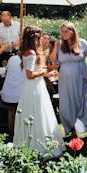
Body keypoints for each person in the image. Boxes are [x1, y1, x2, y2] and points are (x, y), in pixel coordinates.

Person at [13, 25, 64, 157]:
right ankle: (38, 145)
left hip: (36, 85)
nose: (41, 40)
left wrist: (47, 74)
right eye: (39, 38)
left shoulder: (29, 51)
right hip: (33, 87)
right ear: (34, 38)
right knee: (38, 114)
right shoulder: (31, 53)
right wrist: (42, 71)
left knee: (41, 113)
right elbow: (29, 74)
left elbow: (34, 72)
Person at [49, 21, 87, 137]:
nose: (63, 34)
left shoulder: (82, 43)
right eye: (62, 31)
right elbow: (53, 60)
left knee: (84, 100)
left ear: (72, 31)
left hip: (81, 77)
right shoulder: (60, 46)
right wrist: (55, 46)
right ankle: (72, 128)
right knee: (67, 103)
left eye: (66, 31)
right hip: (65, 79)